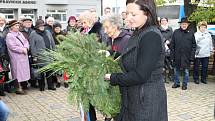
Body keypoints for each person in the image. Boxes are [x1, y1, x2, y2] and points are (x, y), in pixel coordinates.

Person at [104, 0, 168, 121]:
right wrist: (110, 54)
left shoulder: (151, 35)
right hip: (135, 97)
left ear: (147, 14)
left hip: (145, 101)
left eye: (133, 14)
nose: (128, 18)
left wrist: (112, 77)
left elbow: (141, 75)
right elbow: (133, 55)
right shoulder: (139, 31)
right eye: (127, 13)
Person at [29, 19, 56, 91]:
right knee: (41, 72)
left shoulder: (47, 32)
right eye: (40, 26)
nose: (42, 27)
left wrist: (54, 52)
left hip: (49, 55)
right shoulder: (33, 33)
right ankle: (42, 86)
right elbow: (32, 46)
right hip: (40, 56)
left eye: (43, 25)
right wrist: (34, 56)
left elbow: (52, 42)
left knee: (49, 71)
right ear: (37, 27)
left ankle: (50, 85)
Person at [170, 17, 196, 90]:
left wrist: (191, 56)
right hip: (177, 56)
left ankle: (185, 84)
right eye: (182, 24)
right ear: (180, 25)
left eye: (185, 24)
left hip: (186, 56)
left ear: (187, 25)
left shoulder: (191, 33)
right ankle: (177, 83)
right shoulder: (176, 32)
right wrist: (172, 56)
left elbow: (194, 46)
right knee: (176, 70)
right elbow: (172, 45)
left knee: (186, 71)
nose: (184, 25)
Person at [6, 20, 30, 95]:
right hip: (16, 57)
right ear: (11, 27)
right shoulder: (9, 36)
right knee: (17, 73)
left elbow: (26, 41)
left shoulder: (20, 33)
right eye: (16, 26)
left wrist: (26, 48)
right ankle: (18, 88)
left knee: (23, 72)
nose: (17, 27)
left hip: (24, 56)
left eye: (18, 26)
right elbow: (12, 47)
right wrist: (22, 50)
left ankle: (23, 86)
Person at [159, 17, 173, 82]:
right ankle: (163, 77)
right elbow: (157, 36)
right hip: (161, 48)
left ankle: (170, 76)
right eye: (162, 20)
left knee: (169, 63)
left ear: (167, 21)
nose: (163, 21)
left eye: (165, 20)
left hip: (169, 48)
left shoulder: (170, 28)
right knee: (162, 63)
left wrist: (169, 41)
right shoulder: (158, 28)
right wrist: (164, 41)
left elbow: (172, 37)